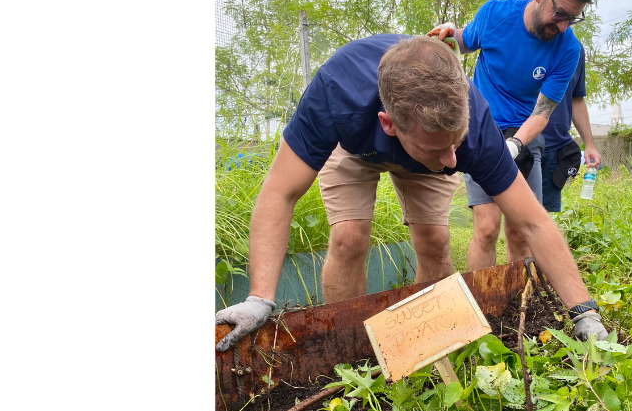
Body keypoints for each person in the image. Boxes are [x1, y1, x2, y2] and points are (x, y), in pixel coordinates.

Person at [213, 33, 609, 352]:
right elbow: (279, 193)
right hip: (354, 146)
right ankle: (349, 353)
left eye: (458, 144)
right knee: (349, 237)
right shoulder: (336, 92)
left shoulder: (470, 128)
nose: (455, 160)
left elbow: (534, 222)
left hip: (425, 148)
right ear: (389, 124)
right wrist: (260, 298)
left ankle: (431, 344)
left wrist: (584, 311)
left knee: (435, 240)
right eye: (441, 148)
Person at [427, 0, 596, 270]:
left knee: (520, 232)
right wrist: (448, 35)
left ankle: (514, 309)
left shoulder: (568, 48)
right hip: (481, 130)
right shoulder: (495, 15)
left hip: (525, 138)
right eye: (560, 14)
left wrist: (515, 144)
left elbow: (543, 112)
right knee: (487, 226)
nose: (563, 26)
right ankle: (485, 307)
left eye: (572, 18)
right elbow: (462, 42)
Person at [538, 48, 602, 214]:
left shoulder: (575, 49)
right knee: (516, 220)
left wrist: (589, 144)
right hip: (521, 144)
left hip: (554, 148)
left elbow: (577, 99)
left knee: (543, 217)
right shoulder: (524, 39)